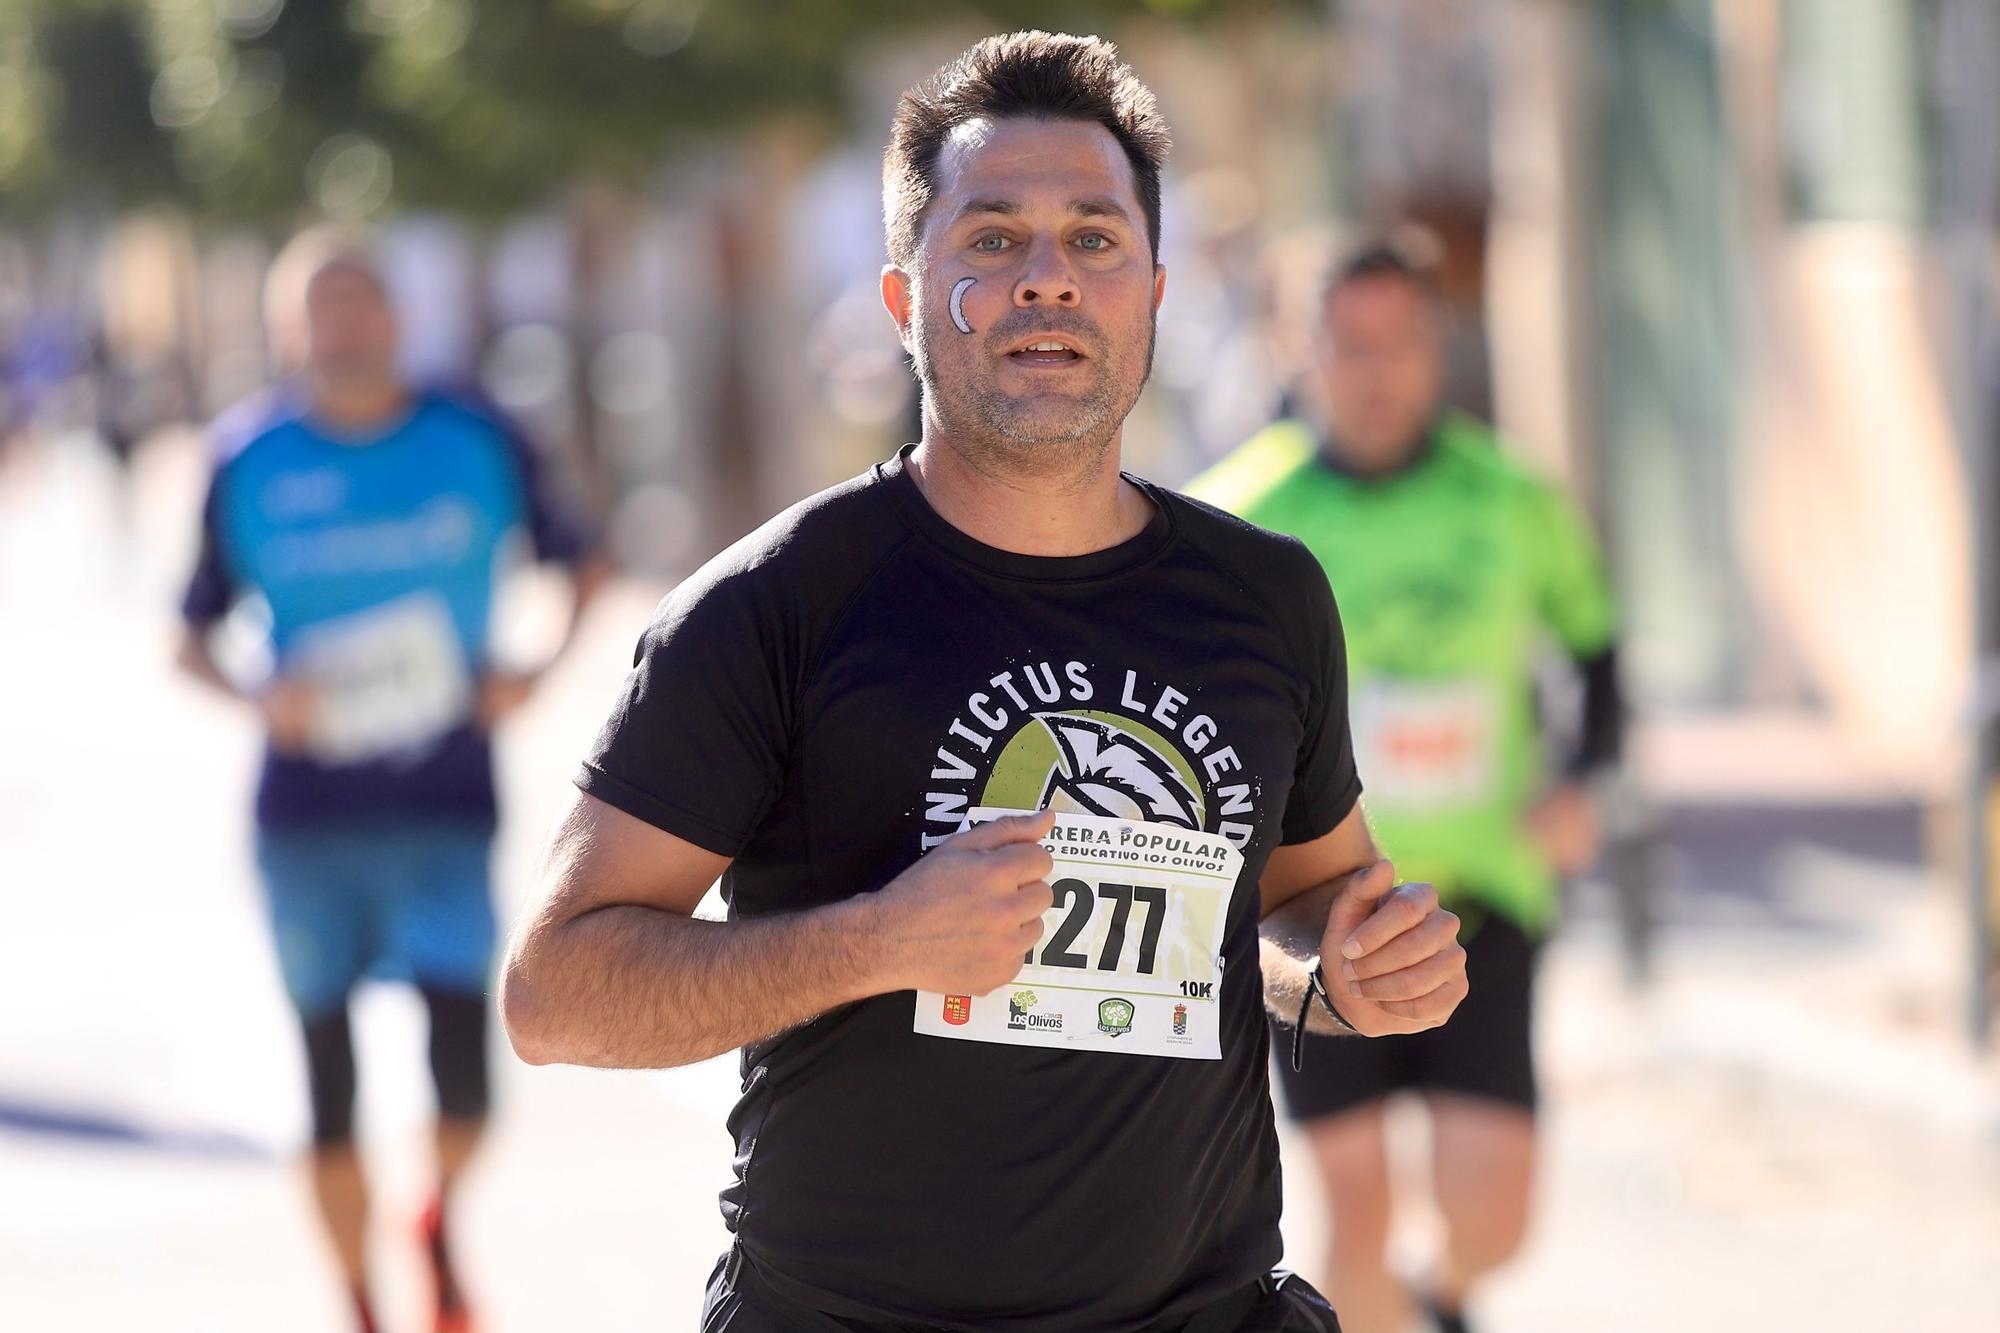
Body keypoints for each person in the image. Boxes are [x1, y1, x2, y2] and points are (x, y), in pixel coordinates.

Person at [500, 31, 1469, 1333]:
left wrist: (1354, 972)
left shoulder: (1265, 596)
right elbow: (555, 992)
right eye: (994, 239)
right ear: (905, 297)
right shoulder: (776, 605)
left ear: (1154, 292)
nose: (1048, 281)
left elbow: (1293, 917)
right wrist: (877, 941)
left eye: (1094, 240)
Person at [175, 228, 606, 1333]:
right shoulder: (246, 456)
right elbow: (187, 637)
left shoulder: (474, 434)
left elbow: (584, 560)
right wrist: (256, 698)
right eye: (322, 307)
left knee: (467, 1080)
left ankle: (433, 1218)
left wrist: (534, 673)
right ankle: (362, 1301)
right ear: (286, 330)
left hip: (444, 805)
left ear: (397, 318)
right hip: (306, 819)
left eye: (363, 302)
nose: (346, 326)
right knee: (329, 1087)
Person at [1189, 242, 1624, 1333]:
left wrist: (1580, 781)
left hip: (1481, 897)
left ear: (1436, 352)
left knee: (1494, 1215)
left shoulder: (1509, 497)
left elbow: (1595, 650)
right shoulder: (1236, 514)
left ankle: (1445, 1298)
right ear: (1300, 352)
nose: (1373, 372)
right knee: (1357, 1206)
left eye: (1397, 344)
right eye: (1348, 344)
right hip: (1314, 915)